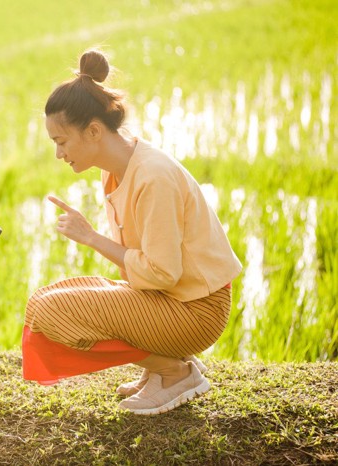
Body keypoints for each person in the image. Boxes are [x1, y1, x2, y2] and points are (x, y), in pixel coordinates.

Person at [22, 48, 243, 415]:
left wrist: (91, 237)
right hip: (171, 299)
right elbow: (146, 272)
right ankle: (159, 368)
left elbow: (162, 272)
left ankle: (175, 373)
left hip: (197, 311)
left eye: (61, 142)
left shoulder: (152, 177)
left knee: (53, 312)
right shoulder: (116, 172)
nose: (59, 154)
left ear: (93, 130)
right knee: (44, 301)